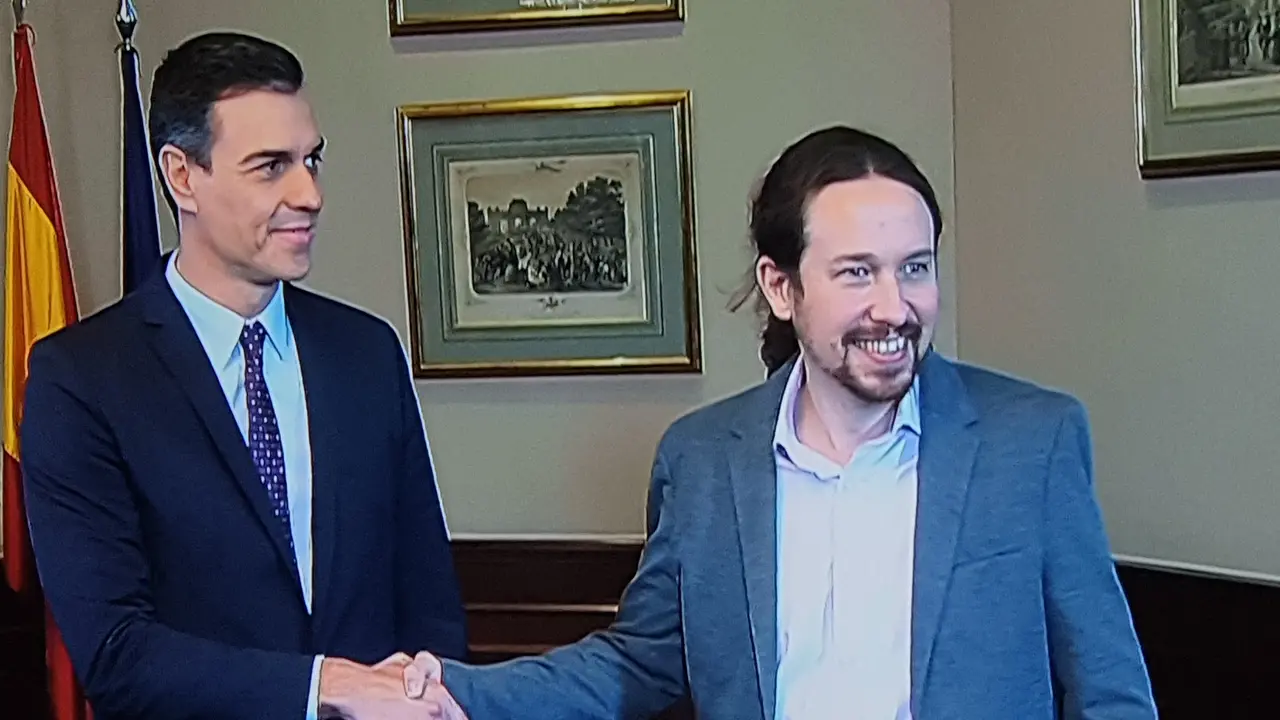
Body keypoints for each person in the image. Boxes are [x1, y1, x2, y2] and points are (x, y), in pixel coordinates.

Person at [394, 125, 1159, 719]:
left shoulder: (1032, 442)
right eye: (857, 272)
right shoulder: (702, 460)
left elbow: (1110, 691)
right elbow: (640, 662)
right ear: (781, 286)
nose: (894, 306)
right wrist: (455, 692)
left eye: (915, 267)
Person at [20, 31, 466, 719]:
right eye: (270, 166)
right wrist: (325, 685)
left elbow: (429, 599)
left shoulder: (366, 353)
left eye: (311, 160)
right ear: (182, 176)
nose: (309, 194)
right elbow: (115, 650)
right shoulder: (81, 380)